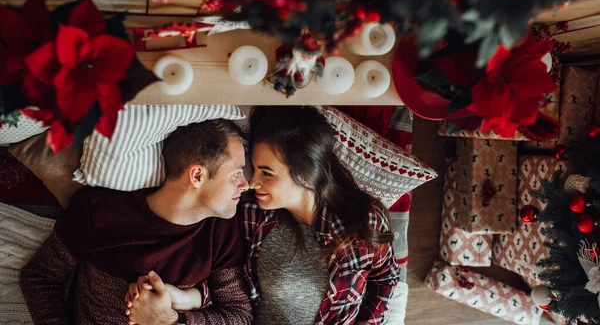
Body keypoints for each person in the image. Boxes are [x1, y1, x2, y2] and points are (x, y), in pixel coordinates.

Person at [127, 106, 401, 324]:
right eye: (254, 169)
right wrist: (186, 298)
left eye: (267, 173)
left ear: (305, 174)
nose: (252, 182)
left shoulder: (363, 221)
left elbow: (386, 278)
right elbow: (238, 290)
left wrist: (369, 322)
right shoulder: (250, 215)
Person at [20, 119, 253, 325]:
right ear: (197, 176)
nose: (246, 185)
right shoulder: (100, 213)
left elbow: (239, 315)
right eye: (236, 174)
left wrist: (172, 320)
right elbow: (40, 277)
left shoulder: (221, 230)